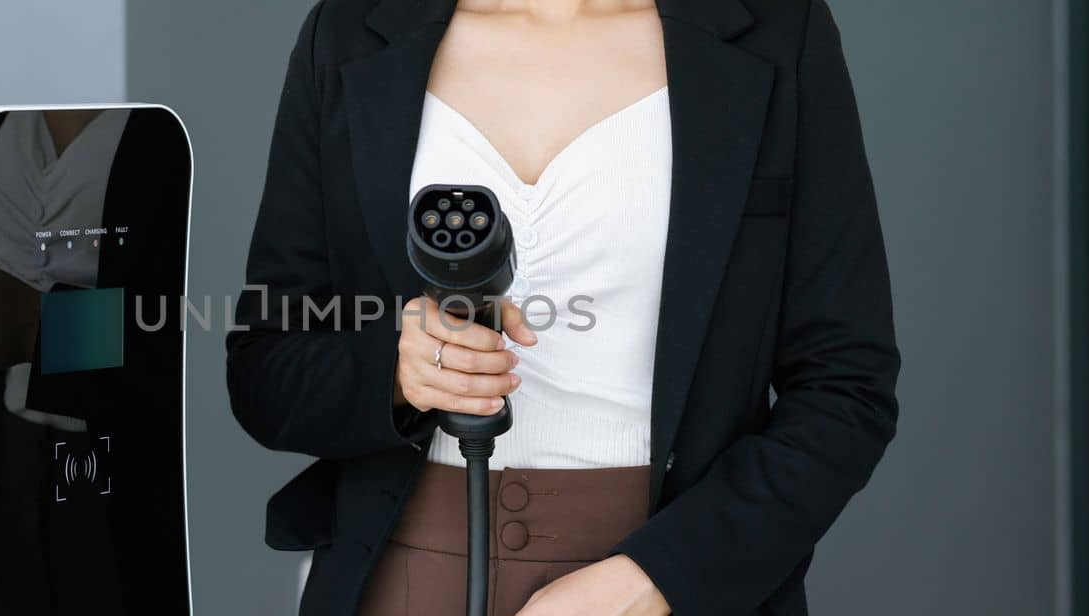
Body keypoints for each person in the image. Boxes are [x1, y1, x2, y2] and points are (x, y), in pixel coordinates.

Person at [226, 0, 900, 613]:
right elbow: (265, 369)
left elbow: (847, 387)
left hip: (664, 589)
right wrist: (398, 378)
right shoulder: (350, 32)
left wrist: (657, 579)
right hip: (399, 580)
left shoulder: (777, 31)